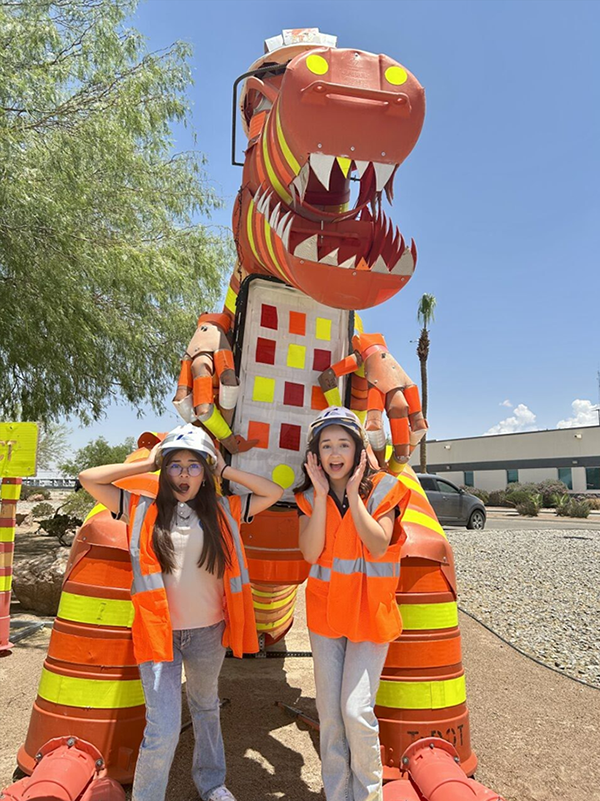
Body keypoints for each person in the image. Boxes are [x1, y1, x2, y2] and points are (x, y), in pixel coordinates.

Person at [79, 423, 283, 801]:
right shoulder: (141, 510)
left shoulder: (225, 509)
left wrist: (224, 469)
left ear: (205, 471)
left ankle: (212, 784)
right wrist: (147, 464)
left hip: (207, 634)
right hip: (159, 634)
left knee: (206, 708)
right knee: (163, 727)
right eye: (175, 465)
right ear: (164, 470)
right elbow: (88, 478)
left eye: (194, 465)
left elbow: (273, 491)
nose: (184, 474)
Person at [294, 407, 408, 801]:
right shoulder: (310, 497)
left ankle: (368, 795)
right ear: (316, 454)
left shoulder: (383, 490)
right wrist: (325, 497)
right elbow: (310, 554)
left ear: (359, 449)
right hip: (326, 617)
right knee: (330, 717)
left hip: (370, 616)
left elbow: (378, 543)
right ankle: (338, 794)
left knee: (356, 711)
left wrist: (354, 496)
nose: (334, 451)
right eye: (326, 445)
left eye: (344, 443)